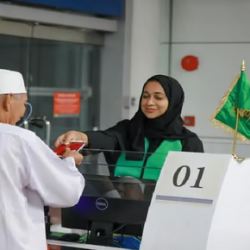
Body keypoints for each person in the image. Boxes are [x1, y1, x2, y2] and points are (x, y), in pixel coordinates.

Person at [55, 75, 203, 183]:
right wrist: (81, 137)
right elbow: (108, 138)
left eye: (158, 97)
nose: (149, 102)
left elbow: (194, 186)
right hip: (120, 213)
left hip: (164, 218)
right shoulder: (128, 129)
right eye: (145, 96)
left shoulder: (188, 142)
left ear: (173, 102)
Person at [0, 69, 85, 250]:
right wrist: (69, 162)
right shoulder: (21, 140)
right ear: (8, 100)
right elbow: (66, 192)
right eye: (24, 104)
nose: (23, 113)